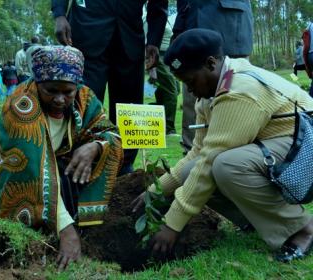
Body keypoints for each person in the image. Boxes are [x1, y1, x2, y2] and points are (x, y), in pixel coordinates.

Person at [132, 29, 313, 262]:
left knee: (226, 165)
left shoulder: (238, 91)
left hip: (305, 152)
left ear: (210, 63)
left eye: (189, 80)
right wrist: (155, 192)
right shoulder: (211, 90)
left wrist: (172, 224)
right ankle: (256, 221)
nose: (188, 89)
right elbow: (198, 154)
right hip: (285, 149)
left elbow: (209, 162)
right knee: (192, 171)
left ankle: (302, 228)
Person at [0, 46, 123, 270]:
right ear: (37, 82)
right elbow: (32, 170)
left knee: (79, 164)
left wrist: (96, 146)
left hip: (59, 170)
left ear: (77, 86)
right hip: (18, 177)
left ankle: (83, 225)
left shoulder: (84, 97)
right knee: (33, 186)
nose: (60, 99)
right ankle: (41, 236)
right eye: (51, 90)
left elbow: (110, 133)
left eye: (68, 92)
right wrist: (66, 229)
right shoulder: (20, 106)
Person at [51, 0, 168, 175]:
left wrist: (153, 40)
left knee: (129, 105)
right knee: (83, 104)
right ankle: (76, 161)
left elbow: (158, 5)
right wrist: (59, 14)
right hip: (86, 34)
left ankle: (124, 163)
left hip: (130, 38)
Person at [172, 0, 254, 154]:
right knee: (194, 95)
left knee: (235, 93)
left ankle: (232, 153)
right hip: (191, 20)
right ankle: (192, 155)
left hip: (229, 23)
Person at [145, 12, 179, 135]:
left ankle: (157, 121)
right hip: (157, 58)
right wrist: (151, 67)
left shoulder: (167, 16)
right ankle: (169, 128)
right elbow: (147, 41)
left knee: (167, 90)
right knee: (171, 91)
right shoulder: (149, 17)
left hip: (167, 57)